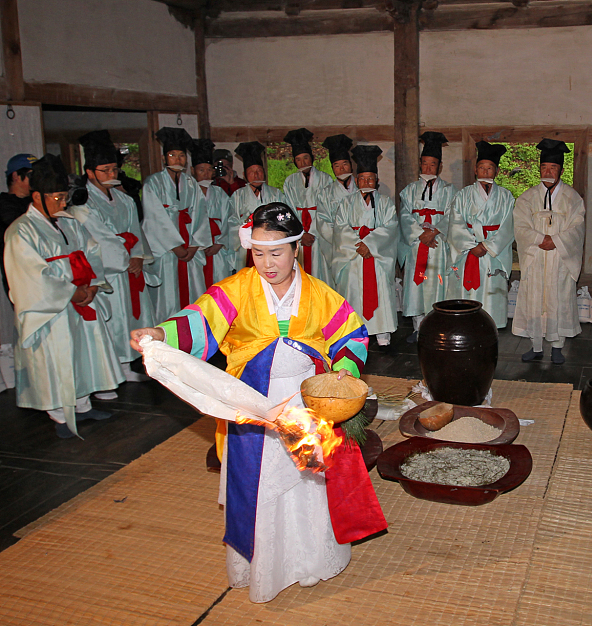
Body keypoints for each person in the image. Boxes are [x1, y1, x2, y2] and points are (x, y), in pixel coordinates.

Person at [129, 203, 386, 603]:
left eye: (277, 252)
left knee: (307, 481)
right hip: (251, 402)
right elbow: (198, 320)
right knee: (259, 484)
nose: (268, 263)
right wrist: (160, 335)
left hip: (304, 400)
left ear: (296, 249)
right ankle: (264, 566)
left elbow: (353, 335)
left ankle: (313, 559)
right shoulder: (235, 290)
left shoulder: (320, 294)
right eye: (259, 252)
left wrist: (345, 372)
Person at [4, 154, 123, 437]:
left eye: (63, 197)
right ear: (37, 196)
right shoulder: (20, 231)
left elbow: (92, 251)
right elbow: (30, 276)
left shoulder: (69, 222)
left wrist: (93, 284)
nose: (62, 203)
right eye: (56, 198)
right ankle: (59, 413)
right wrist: (71, 291)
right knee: (55, 358)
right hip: (52, 308)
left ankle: (82, 404)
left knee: (82, 353)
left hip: (80, 297)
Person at [75, 130, 155, 383]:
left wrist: (138, 256)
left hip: (129, 263)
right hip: (108, 270)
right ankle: (117, 364)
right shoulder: (83, 203)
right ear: (90, 172)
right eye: (105, 170)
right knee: (115, 316)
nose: (112, 175)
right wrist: (125, 256)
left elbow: (135, 230)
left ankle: (135, 358)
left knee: (134, 313)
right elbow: (99, 238)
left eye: (114, 170)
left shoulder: (124, 199)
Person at [512, 139, 586, 365]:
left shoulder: (572, 198)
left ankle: (557, 347)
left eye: (553, 168)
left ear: (561, 171)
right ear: (539, 169)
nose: (548, 171)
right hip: (536, 257)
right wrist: (539, 239)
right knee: (535, 300)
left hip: (559, 259)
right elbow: (520, 225)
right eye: (544, 167)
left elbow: (578, 227)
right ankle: (535, 346)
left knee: (559, 300)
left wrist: (556, 241)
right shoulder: (527, 197)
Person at [141, 128, 212, 322]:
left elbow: (200, 215)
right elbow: (154, 219)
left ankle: (196, 338)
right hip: (167, 252)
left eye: (181, 156)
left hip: (191, 250)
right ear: (165, 158)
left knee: (194, 295)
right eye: (172, 155)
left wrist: (194, 245)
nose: (177, 160)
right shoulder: (152, 183)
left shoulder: (191, 183)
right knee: (168, 297)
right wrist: (175, 246)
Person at [332, 144, 399, 349]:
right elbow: (340, 228)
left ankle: (382, 332)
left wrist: (370, 244)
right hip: (353, 256)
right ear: (357, 180)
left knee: (381, 292)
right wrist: (357, 245)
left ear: (377, 180)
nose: (366, 182)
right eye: (362, 179)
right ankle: (355, 333)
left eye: (370, 178)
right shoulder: (346, 203)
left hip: (376, 256)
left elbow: (391, 227)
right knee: (354, 293)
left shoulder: (386, 202)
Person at [445, 141, 516, 328]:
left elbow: (508, 226)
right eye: (482, 168)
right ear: (475, 170)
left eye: (490, 168)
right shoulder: (462, 195)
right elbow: (455, 224)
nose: (485, 172)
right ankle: (465, 329)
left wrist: (487, 246)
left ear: (497, 171)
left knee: (492, 294)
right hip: (469, 251)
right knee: (466, 296)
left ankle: (491, 329)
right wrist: (471, 245)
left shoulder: (506, 197)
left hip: (493, 253)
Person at [398, 132, 455, 343]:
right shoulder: (409, 191)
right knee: (417, 286)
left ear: (439, 167)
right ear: (419, 165)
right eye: (424, 164)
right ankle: (418, 328)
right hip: (416, 245)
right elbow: (404, 215)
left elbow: (453, 215)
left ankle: (439, 326)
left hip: (439, 245)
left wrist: (435, 230)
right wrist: (420, 234)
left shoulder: (451, 191)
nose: (428, 168)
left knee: (438, 284)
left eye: (433, 164)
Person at [1, 153, 36, 391]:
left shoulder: (35, 202)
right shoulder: (6, 206)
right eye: (31, 175)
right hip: (21, 278)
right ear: (16, 176)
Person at [282, 128, 332, 283]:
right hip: (299, 235)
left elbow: (327, 209)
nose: (303, 163)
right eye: (299, 159)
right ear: (294, 161)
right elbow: (288, 208)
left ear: (312, 157)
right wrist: (301, 233)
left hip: (320, 234)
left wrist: (314, 232)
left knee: (321, 273)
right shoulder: (290, 182)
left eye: (306, 158)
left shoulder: (325, 179)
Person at [229, 141, 287, 270]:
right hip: (247, 249)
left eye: (259, 171)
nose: (256, 175)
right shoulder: (237, 196)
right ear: (244, 175)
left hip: (272, 244)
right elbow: (231, 222)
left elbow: (283, 218)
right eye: (251, 172)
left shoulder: (276, 193)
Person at [191, 139, 235, 286]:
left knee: (219, 285)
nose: (206, 174)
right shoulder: (187, 193)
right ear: (193, 171)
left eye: (209, 170)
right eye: (201, 170)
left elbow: (229, 219)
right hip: (195, 250)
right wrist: (197, 243)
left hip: (218, 248)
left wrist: (219, 243)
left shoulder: (219, 193)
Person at [317, 134, 358, 290]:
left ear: (351, 165)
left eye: (345, 164)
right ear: (332, 168)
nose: (342, 169)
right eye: (337, 165)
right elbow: (323, 223)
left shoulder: (362, 189)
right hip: (338, 248)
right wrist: (345, 241)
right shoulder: (325, 194)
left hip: (362, 246)